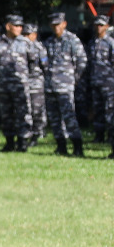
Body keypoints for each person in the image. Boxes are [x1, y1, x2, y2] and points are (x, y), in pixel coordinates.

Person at [41, 11, 86, 156]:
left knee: (69, 118)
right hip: (50, 86)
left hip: (65, 86)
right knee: (54, 119)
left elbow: (82, 61)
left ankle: (77, 147)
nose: (56, 27)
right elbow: (44, 62)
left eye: (58, 24)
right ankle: (61, 146)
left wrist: (74, 79)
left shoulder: (72, 40)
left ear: (64, 24)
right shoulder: (48, 42)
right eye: (53, 25)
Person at [0, 15, 34, 152]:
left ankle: (23, 142)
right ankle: (9, 142)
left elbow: (34, 63)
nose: (19, 28)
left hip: (20, 85)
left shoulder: (26, 42)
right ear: (8, 26)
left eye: (20, 26)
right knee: (6, 114)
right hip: (3, 85)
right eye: (16, 25)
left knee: (23, 113)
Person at [88, 14, 114, 150]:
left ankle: (111, 136)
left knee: (109, 110)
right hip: (95, 82)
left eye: (101, 25)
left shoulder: (110, 43)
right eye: (97, 25)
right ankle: (99, 135)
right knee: (98, 109)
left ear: (107, 26)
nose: (98, 27)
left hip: (109, 83)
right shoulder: (92, 43)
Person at [23, 21, 47, 148]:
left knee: (37, 109)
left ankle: (38, 133)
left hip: (36, 82)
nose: (27, 37)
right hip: (24, 82)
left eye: (29, 34)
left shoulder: (39, 48)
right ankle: (28, 133)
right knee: (26, 110)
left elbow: (45, 66)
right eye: (25, 34)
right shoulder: (20, 47)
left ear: (35, 35)